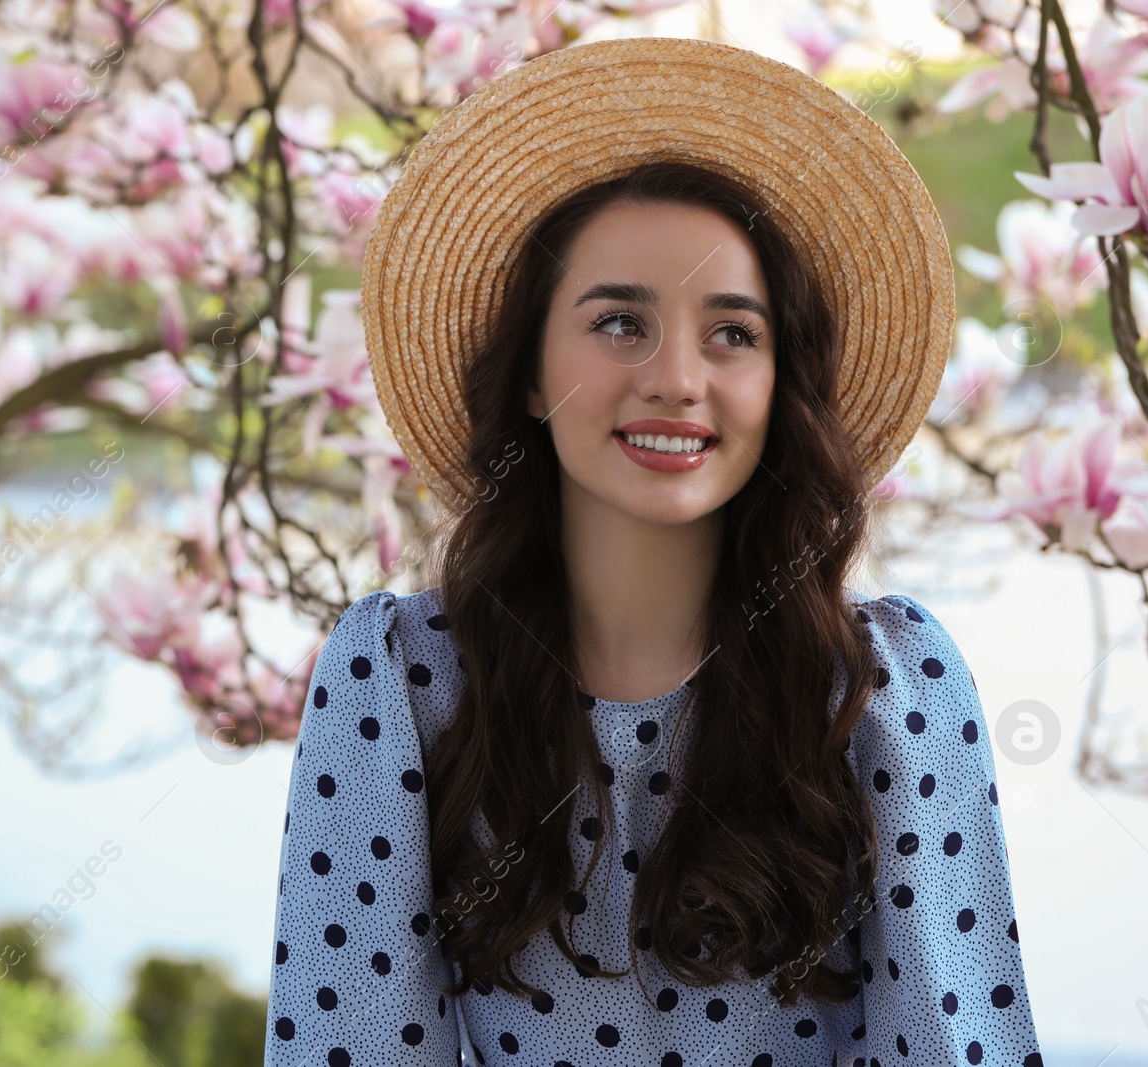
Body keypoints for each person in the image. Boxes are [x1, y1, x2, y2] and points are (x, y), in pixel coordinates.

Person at [264, 36, 1043, 1067]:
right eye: (620, 321)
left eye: (732, 334)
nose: (677, 378)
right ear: (533, 374)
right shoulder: (400, 679)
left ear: (779, 388)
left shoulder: (882, 687)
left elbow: (952, 1046)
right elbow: (348, 1046)